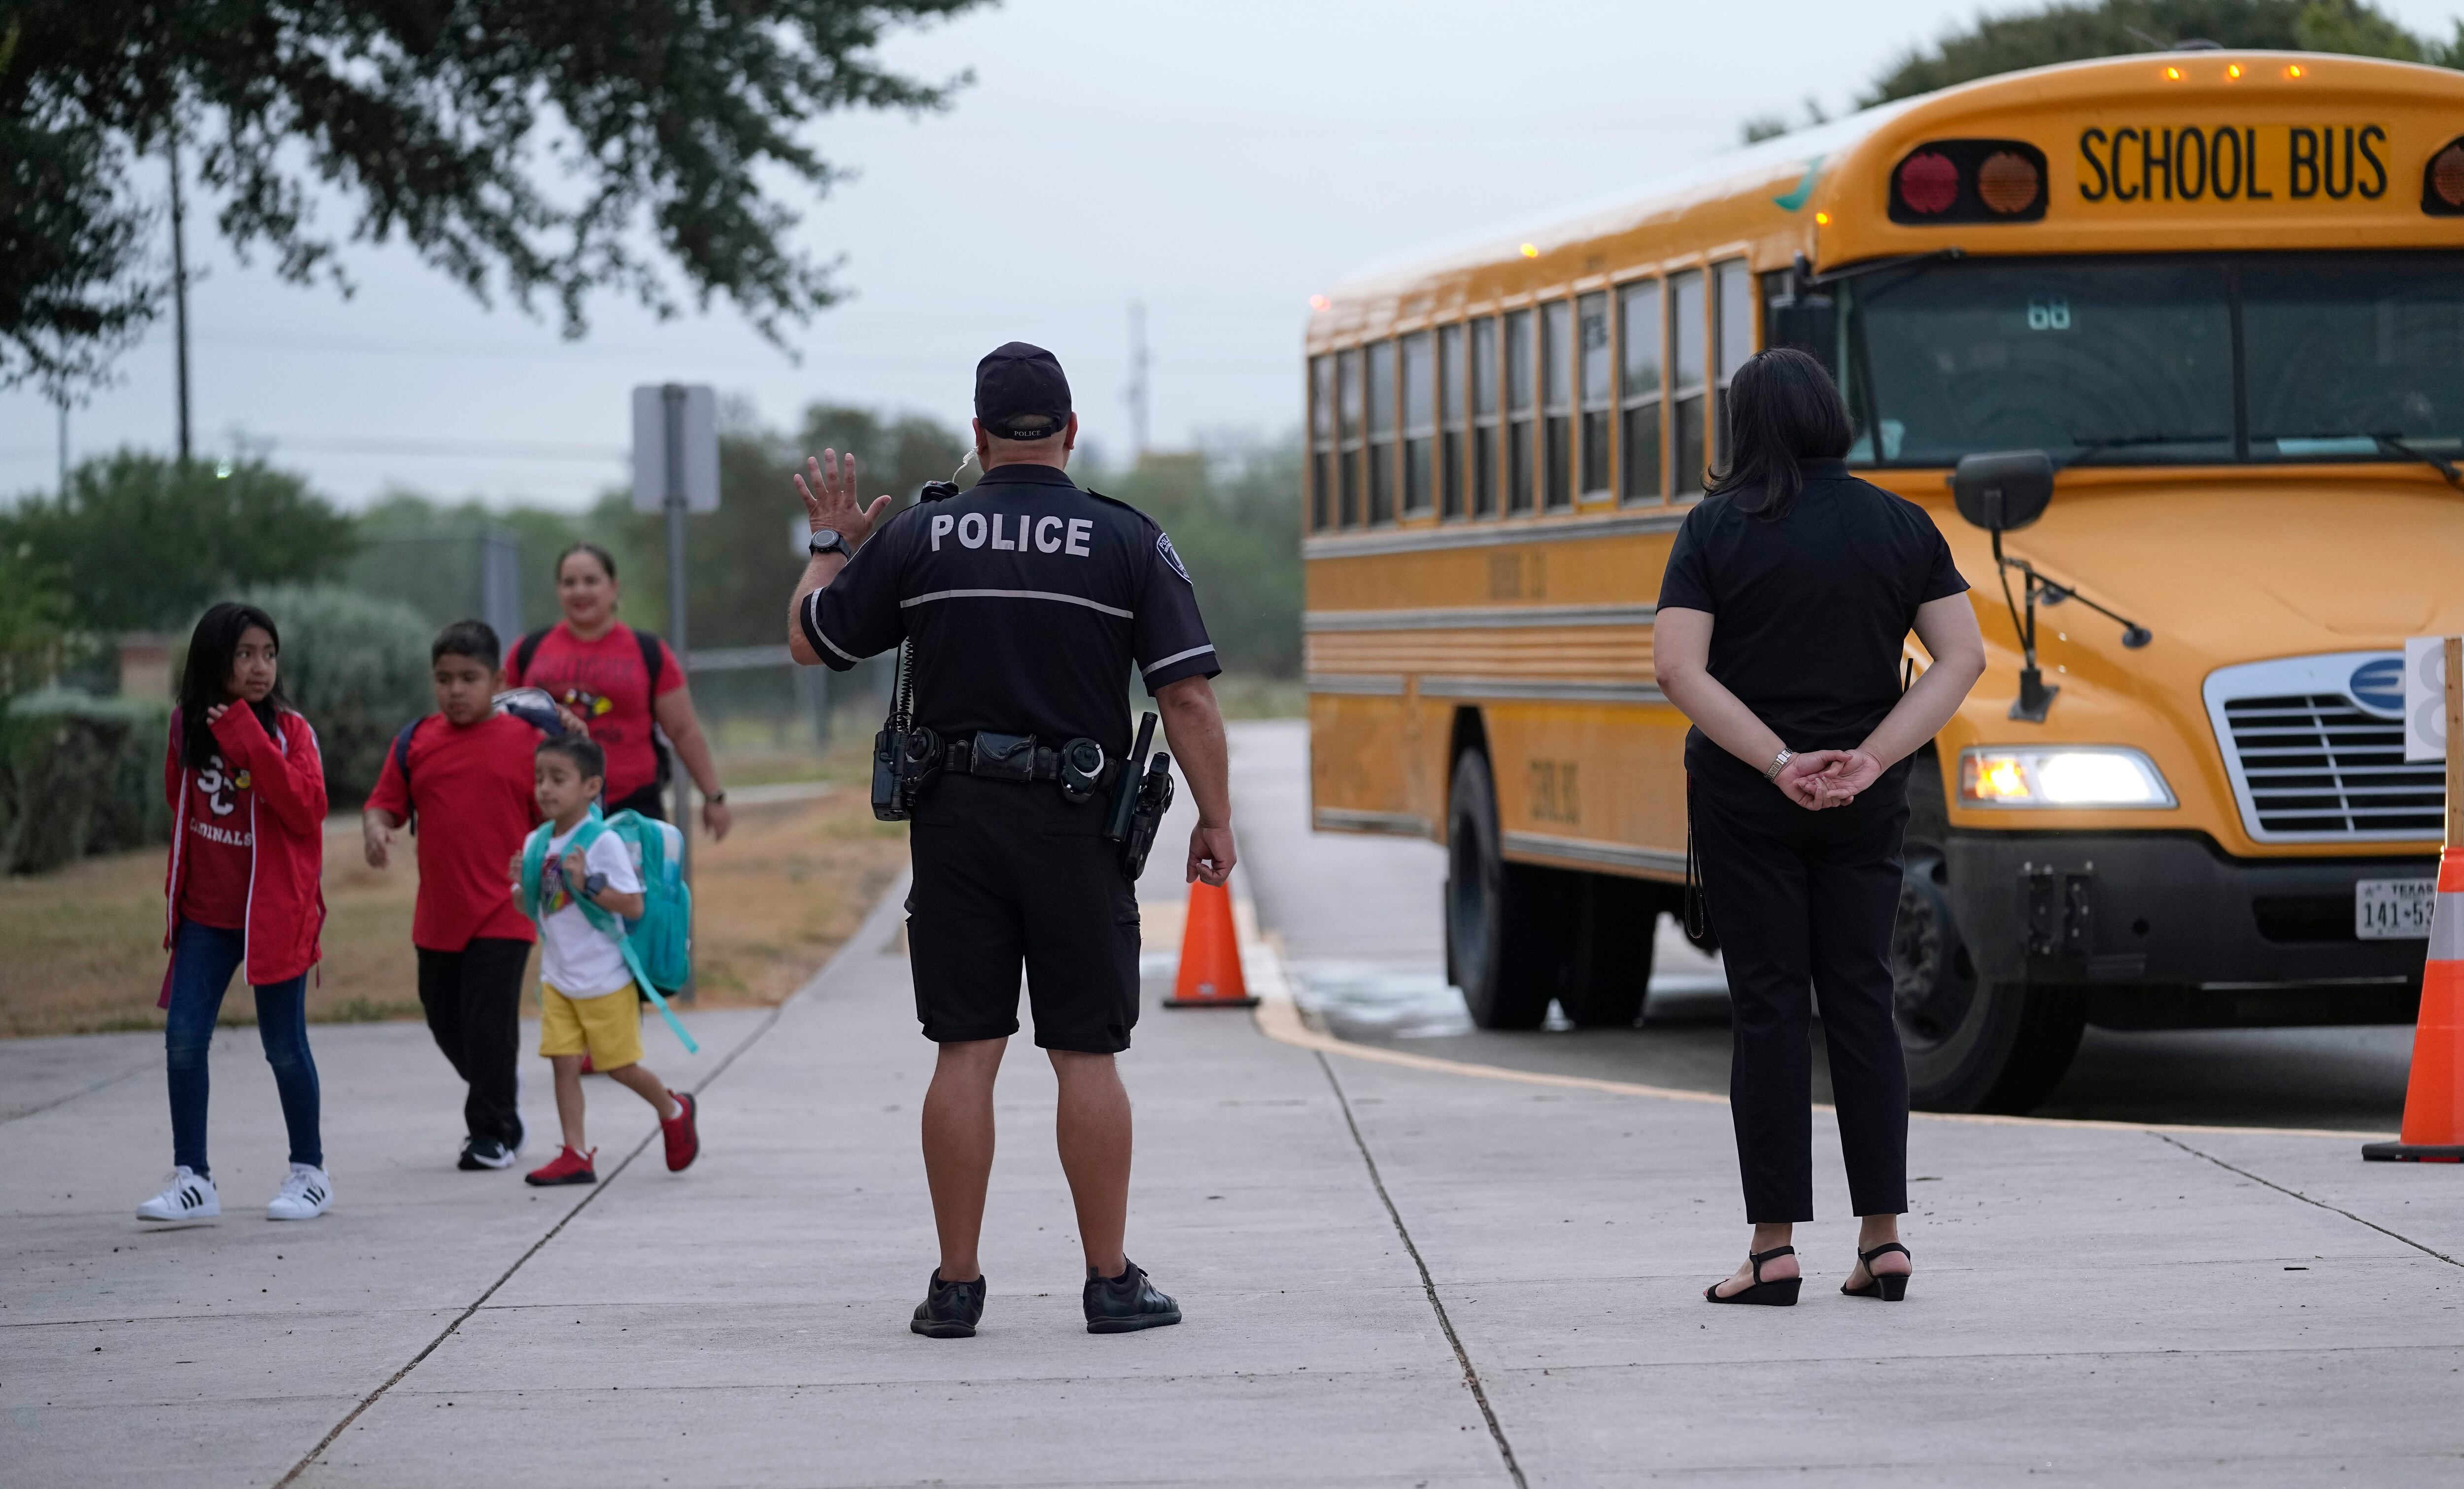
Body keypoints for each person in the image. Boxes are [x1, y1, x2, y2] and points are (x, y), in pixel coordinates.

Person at [786, 341, 1234, 1339]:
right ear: (1071, 430)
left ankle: (956, 1286)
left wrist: (829, 540)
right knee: (1086, 1053)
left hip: (956, 828)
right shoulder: (1126, 541)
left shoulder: (918, 537)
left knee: (964, 1051)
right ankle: (1109, 1280)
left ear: (979, 433)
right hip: (1078, 826)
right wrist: (1214, 816)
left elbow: (812, 637)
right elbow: (1187, 693)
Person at [1654, 348, 1986, 1306]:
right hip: (1863, 799)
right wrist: (1870, 757)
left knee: (1767, 1007)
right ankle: (1882, 1239)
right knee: (1861, 998)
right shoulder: (1899, 524)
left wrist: (1776, 760)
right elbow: (1959, 658)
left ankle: (1772, 1249)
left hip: (1748, 798)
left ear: (1742, 426)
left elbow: (1679, 668)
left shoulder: (1717, 527)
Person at [136, 601, 334, 1225]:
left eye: (269, 655)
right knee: (184, 1041)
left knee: (283, 1046)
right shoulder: (183, 727)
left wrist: (251, 739)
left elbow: (306, 810)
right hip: (206, 916)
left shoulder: (292, 733)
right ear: (213, 659)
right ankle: (193, 1180)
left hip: (276, 914)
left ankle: (310, 1173)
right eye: (245, 654)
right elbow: (181, 802)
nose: (259, 667)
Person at [365, 620, 562, 1171]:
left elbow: (560, 817)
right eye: (443, 679)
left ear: (498, 679)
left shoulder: (529, 744)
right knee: (443, 1019)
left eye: (469, 678)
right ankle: (498, 1089)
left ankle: (491, 1133)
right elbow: (384, 803)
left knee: (487, 1021)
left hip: (505, 909)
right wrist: (376, 829)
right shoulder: (416, 741)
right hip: (438, 915)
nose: (455, 690)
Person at [515, 734, 702, 1186]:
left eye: (558, 779)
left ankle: (673, 1108)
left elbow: (633, 907)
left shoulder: (602, 844)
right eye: (540, 778)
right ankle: (575, 1153)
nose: (545, 788)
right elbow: (539, 908)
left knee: (619, 1067)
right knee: (563, 1063)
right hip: (559, 978)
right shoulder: (538, 841)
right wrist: (521, 886)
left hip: (605, 978)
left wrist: (589, 882)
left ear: (591, 786)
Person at [503, 542, 733, 839]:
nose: (580, 592)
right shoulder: (528, 650)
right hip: (548, 812)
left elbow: (683, 731)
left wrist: (713, 797)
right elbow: (500, 727)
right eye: (569, 582)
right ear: (558, 589)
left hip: (632, 810)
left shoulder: (648, 651)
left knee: (629, 889)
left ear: (613, 587)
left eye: (591, 581)